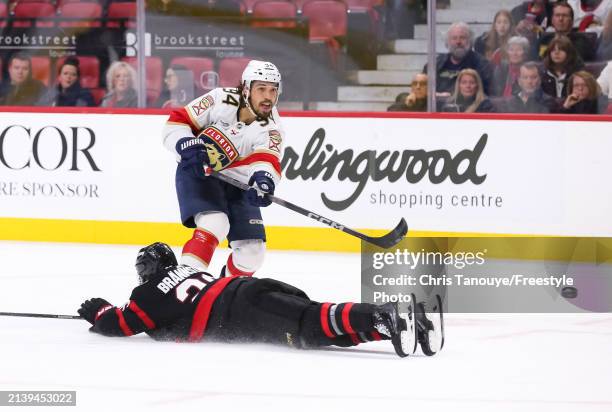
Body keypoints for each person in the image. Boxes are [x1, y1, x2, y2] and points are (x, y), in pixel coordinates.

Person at [77, 242, 446, 358]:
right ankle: (391, 325)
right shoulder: (191, 272)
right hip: (249, 290)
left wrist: (97, 311)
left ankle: (388, 315)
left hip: (243, 309)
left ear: (148, 270)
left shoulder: (148, 293)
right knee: (313, 327)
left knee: (308, 326)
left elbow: (120, 324)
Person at [162, 60, 284, 277]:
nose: (268, 97)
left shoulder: (272, 128)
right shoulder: (219, 99)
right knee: (215, 222)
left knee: (252, 252)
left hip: (238, 184)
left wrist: (264, 181)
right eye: (261, 89)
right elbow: (177, 122)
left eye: (273, 90)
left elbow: (267, 161)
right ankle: (183, 285)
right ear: (246, 88)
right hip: (200, 172)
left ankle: (225, 294)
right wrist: (187, 146)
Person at [424, 22, 493, 96]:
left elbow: (486, 95)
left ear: (470, 41)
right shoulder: (435, 64)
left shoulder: (483, 66)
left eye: (462, 38)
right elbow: (422, 88)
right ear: (448, 42)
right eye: (454, 38)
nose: (458, 42)